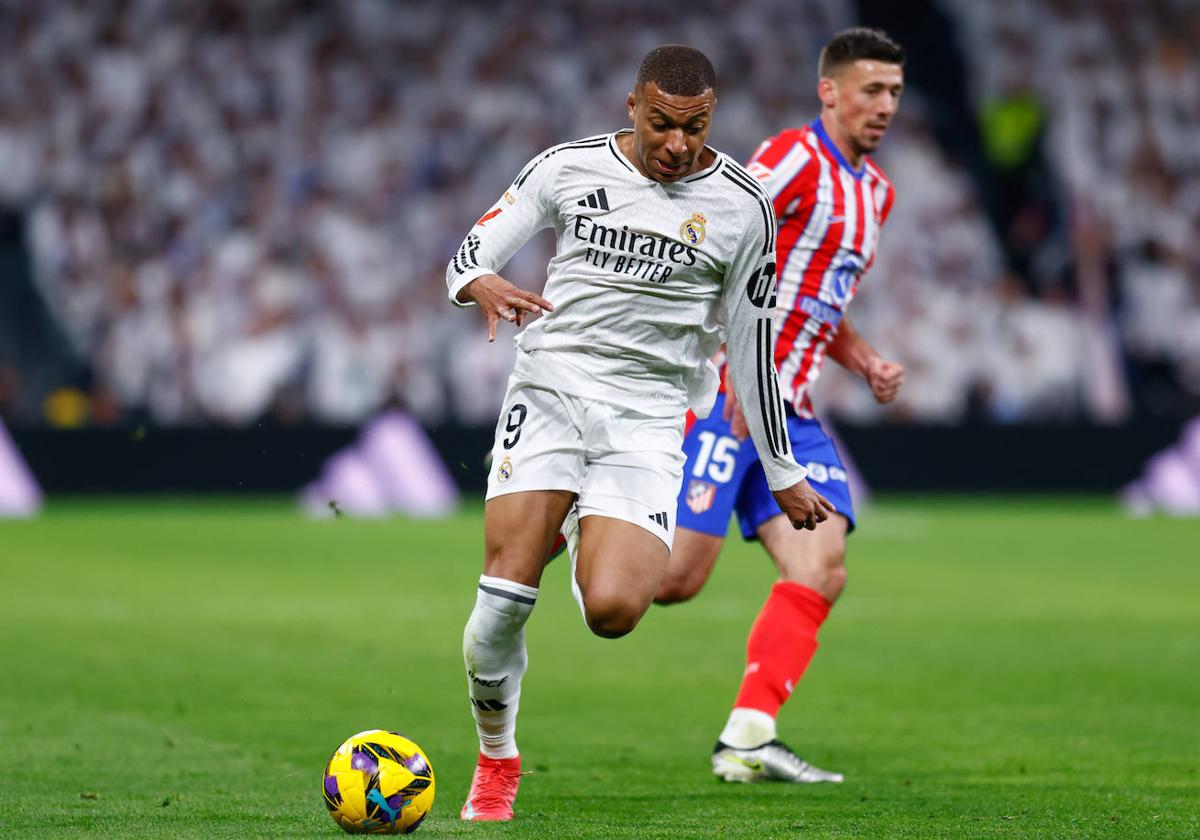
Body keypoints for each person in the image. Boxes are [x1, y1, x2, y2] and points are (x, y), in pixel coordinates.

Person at [446, 45, 835, 821]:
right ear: (633, 107)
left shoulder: (743, 206)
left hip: (651, 416)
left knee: (616, 611)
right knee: (501, 602)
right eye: (662, 124)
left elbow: (751, 346)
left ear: (711, 118)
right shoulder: (566, 168)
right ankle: (497, 761)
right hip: (552, 390)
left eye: (694, 128)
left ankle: (585, 518)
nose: (677, 145)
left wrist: (782, 466)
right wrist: (477, 282)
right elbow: (471, 251)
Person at [654, 28, 907, 784]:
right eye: (871, 90)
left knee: (822, 563)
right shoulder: (794, 160)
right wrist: (727, 363)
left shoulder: (877, 193)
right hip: (731, 394)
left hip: (790, 412)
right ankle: (576, 511)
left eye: (894, 92)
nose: (885, 105)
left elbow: (819, 299)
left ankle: (748, 736)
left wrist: (862, 359)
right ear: (829, 91)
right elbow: (717, 241)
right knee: (672, 582)